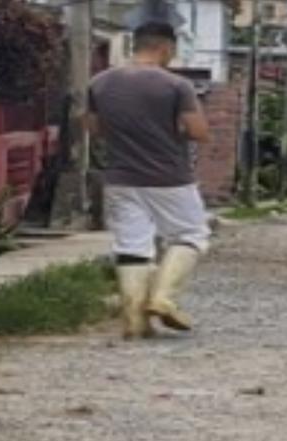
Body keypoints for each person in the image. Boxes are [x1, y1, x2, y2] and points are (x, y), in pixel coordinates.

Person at [86, 21, 212, 339]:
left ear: (137, 44)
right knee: (191, 234)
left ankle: (134, 321)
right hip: (169, 176)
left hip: (120, 177)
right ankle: (162, 298)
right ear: (165, 48)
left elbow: (94, 129)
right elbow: (198, 132)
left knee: (132, 245)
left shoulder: (99, 83)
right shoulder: (176, 85)